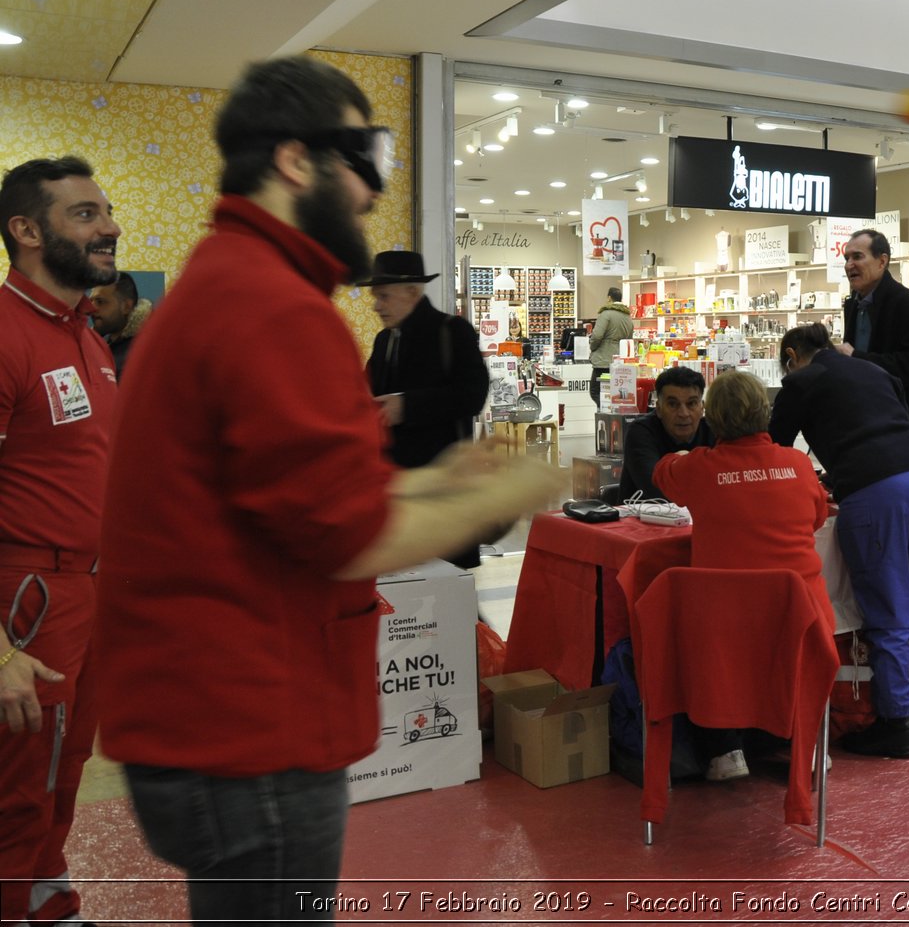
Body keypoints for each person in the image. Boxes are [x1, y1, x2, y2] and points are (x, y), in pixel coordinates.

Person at [93, 55, 564, 923]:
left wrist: (434, 481)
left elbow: (294, 498)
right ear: (296, 160)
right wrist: (519, 487)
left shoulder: (228, 286)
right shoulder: (273, 306)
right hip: (255, 734)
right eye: (365, 159)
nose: (373, 191)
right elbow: (351, 534)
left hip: (217, 728)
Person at [0, 155, 120, 927]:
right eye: (84, 214)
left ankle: (48, 900)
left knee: (62, 766)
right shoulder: (5, 333)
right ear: (26, 231)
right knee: (14, 784)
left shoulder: (89, 339)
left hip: (92, 591)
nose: (108, 225)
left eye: (104, 210)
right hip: (26, 599)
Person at [769, 322, 909, 759]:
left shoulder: (800, 381)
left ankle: (894, 725)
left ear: (791, 356)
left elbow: (772, 448)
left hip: (878, 489)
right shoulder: (871, 369)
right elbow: (895, 425)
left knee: (890, 610)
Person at [653, 368, 831, 780]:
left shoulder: (701, 469)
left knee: (698, 642)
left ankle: (724, 750)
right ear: (764, 414)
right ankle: (800, 741)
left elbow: (663, 473)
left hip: (727, 622)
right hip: (801, 614)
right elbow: (817, 517)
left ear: (711, 418)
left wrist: (682, 458)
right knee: (785, 654)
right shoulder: (798, 465)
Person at [362, 250, 491, 567]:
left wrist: (407, 405)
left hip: (442, 483)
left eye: (384, 296)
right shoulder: (383, 340)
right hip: (397, 488)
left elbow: (473, 395)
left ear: (412, 292)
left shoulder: (452, 331)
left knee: (447, 586)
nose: (376, 305)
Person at [840, 230, 909, 464]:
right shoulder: (854, 306)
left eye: (857, 256)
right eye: (846, 258)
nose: (849, 265)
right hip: (867, 427)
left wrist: (856, 357)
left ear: (882, 261)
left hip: (906, 434)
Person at [618, 364, 712, 501]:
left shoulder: (713, 430)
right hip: (644, 519)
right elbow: (656, 489)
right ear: (659, 409)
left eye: (691, 404)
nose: (683, 413)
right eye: (673, 404)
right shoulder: (641, 432)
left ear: (702, 408)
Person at [87, 270, 149, 377]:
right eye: (91, 301)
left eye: (100, 301)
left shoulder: (144, 352)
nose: (91, 309)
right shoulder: (99, 346)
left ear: (126, 307)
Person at [589, 285, 634, 407]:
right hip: (620, 362)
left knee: (595, 391)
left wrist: (592, 347)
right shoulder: (627, 317)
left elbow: (597, 336)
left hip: (603, 360)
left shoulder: (606, 314)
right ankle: (614, 413)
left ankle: (605, 411)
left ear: (609, 298)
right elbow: (629, 339)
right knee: (617, 393)